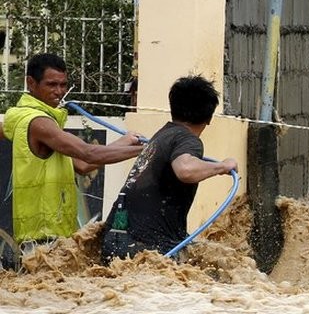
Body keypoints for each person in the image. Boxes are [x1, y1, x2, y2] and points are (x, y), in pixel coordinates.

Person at [1, 53, 143, 265]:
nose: (59, 92)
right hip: (43, 239)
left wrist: (125, 142)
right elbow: (88, 153)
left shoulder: (37, 119)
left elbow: (83, 165)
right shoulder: (39, 122)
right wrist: (149, 150)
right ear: (31, 83)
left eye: (63, 85)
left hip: (52, 235)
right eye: (51, 84)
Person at [101, 75, 238, 263]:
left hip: (114, 240)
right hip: (148, 247)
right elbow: (185, 169)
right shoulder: (188, 140)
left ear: (173, 108)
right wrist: (222, 166)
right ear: (209, 117)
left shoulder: (162, 135)